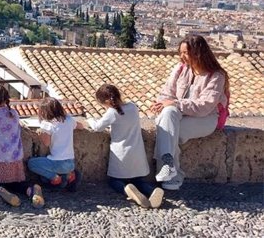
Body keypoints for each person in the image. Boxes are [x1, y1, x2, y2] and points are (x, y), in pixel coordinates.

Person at [150, 34, 230, 191]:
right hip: (178, 115)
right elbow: (167, 94)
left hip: (206, 119)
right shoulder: (180, 69)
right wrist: (164, 104)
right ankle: (171, 171)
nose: (182, 56)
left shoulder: (216, 76)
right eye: (180, 52)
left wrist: (174, 103)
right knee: (168, 117)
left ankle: (171, 171)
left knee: (167, 129)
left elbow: (205, 106)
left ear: (198, 53)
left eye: (185, 53)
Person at [87, 84, 163, 208]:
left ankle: (126, 190)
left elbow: (97, 127)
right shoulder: (133, 107)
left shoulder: (112, 113)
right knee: (138, 181)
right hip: (137, 153)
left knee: (114, 181)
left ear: (106, 101)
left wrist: (90, 120)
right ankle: (152, 191)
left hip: (121, 154)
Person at [0, 84, 45, 208]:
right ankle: (31, 190)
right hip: (16, 159)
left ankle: (4, 193)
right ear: (6, 99)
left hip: (1, 159)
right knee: (18, 184)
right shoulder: (14, 113)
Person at [27, 98, 82, 191]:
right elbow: (81, 126)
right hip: (70, 163)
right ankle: (69, 175)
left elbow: (46, 143)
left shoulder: (47, 124)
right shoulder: (69, 120)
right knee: (43, 178)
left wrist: (41, 133)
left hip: (57, 163)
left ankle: (55, 178)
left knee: (32, 163)